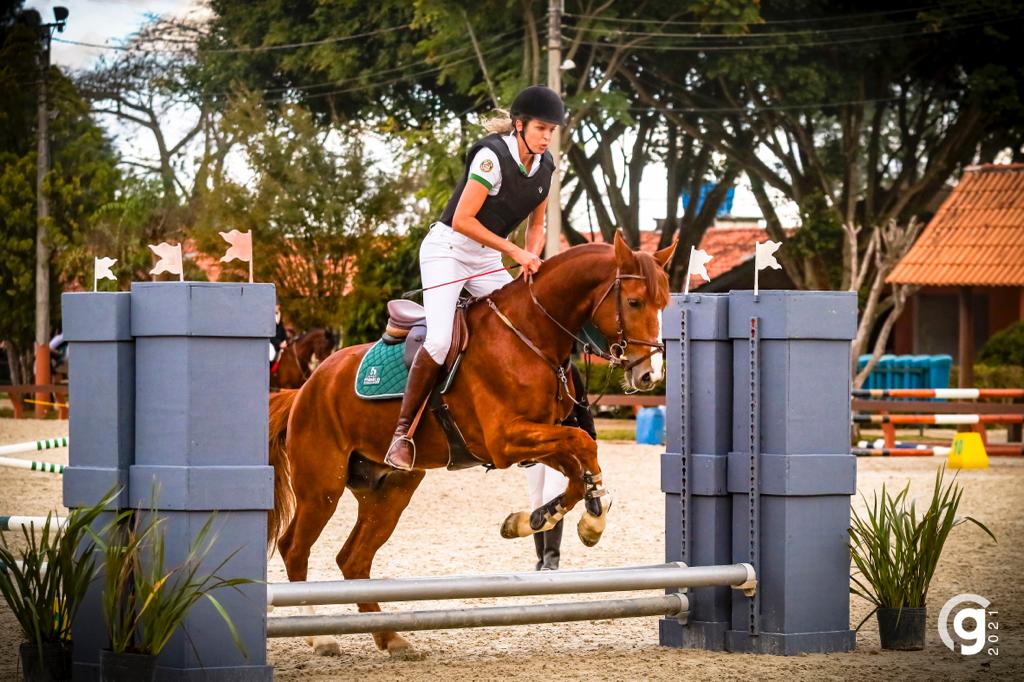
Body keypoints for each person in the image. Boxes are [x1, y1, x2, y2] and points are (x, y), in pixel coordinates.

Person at [385, 85, 564, 471]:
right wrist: (515, 251)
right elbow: (464, 220)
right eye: (540, 128)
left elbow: (538, 223)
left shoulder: (545, 166)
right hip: (447, 249)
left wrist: (533, 256)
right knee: (439, 338)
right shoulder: (491, 157)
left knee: (524, 325)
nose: (547, 137)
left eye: (551, 130)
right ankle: (402, 434)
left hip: (484, 255)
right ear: (519, 125)